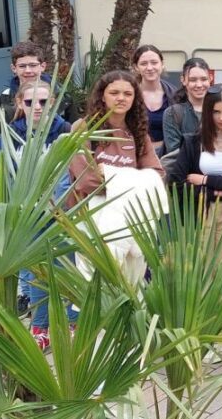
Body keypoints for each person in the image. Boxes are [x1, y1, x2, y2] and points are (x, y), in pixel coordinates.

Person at [0, 79, 75, 350]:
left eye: (44, 101)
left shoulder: (65, 131)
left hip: (62, 213)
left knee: (67, 269)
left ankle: (73, 325)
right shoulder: (10, 135)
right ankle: (41, 327)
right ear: (20, 104)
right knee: (38, 273)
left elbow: (77, 171)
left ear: (53, 102)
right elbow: (0, 177)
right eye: (30, 102)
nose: (37, 107)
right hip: (26, 216)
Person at [68, 70, 165, 285]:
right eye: (114, 92)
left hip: (131, 217)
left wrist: (112, 174)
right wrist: (135, 180)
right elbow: (85, 181)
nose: (121, 98)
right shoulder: (84, 128)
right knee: (93, 284)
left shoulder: (137, 132)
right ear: (103, 95)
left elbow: (156, 176)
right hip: (91, 217)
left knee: (131, 284)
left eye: (127, 94)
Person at [166, 84, 222, 257]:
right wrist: (210, 190)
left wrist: (205, 180)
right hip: (199, 209)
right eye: (216, 112)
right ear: (208, 112)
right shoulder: (193, 141)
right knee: (200, 266)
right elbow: (176, 181)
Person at [0, 41, 73, 149]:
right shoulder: (2, 101)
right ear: (14, 68)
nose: (28, 70)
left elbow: (76, 137)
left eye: (33, 65)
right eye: (22, 66)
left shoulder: (63, 98)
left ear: (43, 66)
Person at [162, 58, 212, 157]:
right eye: (193, 80)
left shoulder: (219, 110)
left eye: (204, 79)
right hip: (184, 170)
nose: (199, 85)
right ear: (183, 80)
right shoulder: (173, 113)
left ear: (210, 78)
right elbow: (174, 151)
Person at [133, 44, 176, 154]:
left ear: (162, 64)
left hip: (168, 155)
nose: (150, 68)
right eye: (143, 64)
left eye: (154, 62)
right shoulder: (130, 95)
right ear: (136, 67)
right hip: (136, 154)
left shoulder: (175, 95)